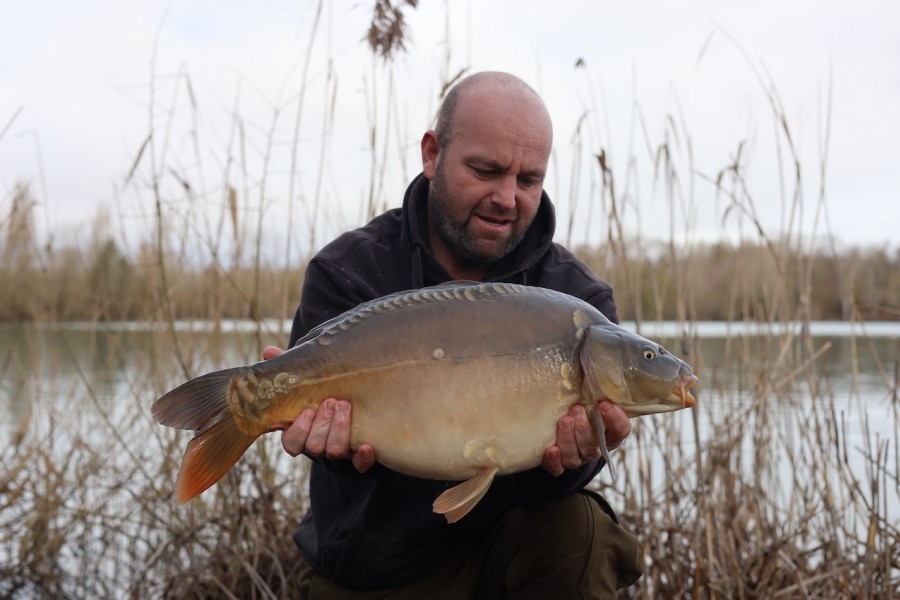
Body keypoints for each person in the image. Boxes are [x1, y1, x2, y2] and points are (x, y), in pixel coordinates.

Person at [263, 71, 644, 599]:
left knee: (585, 533)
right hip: (376, 569)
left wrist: (580, 457)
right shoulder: (347, 270)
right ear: (432, 153)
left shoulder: (577, 302)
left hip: (504, 558)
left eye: (528, 180)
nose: (507, 198)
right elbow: (341, 466)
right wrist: (330, 447)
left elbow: (548, 488)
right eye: (486, 171)